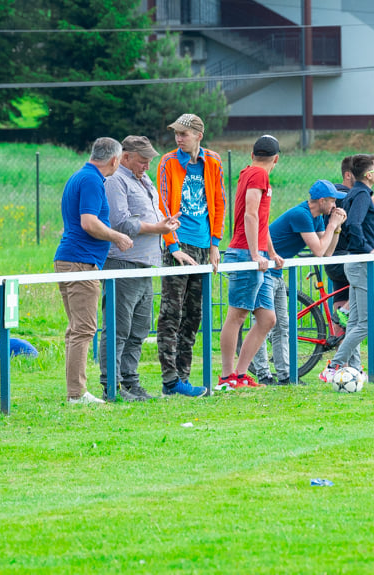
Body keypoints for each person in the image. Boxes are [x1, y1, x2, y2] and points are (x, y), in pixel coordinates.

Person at [99, 135, 180, 402]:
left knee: (139, 329)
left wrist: (165, 223)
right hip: (124, 263)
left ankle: (131, 382)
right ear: (126, 157)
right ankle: (112, 385)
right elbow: (121, 222)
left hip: (146, 265)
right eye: (142, 160)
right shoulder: (115, 182)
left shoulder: (143, 181)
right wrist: (158, 228)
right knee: (119, 328)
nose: (147, 166)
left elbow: (149, 215)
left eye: (149, 161)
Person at [54, 137, 133, 405]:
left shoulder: (80, 177)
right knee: (84, 329)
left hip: (72, 259)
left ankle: (75, 390)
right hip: (81, 262)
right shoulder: (90, 180)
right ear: (114, 160)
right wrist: (116, 237)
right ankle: (77, 393)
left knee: (77, 328)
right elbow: (88, 222)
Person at [250, 179, 347, 385]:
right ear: (321, 201)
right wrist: (332, 224)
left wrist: (335, 228)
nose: (335, 206)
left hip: (275, 272)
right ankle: (263, 374)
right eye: (332, 201)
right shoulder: (302, 215)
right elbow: (319, 251)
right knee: (263, 324)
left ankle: (285, 375)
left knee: (283, 325)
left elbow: (327, 252)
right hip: (263, 269)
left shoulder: (317, 217)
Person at [156, 113, 226, 397]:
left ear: (199, 135)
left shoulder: (213, 161)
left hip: (202, 244)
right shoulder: (168, 162)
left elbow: (219, 201)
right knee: (171, 313)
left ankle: (183, 376)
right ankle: (170, 379)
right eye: (176, 133)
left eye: (183, 134)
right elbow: (162, 205)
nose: (178, 138)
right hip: (178, 243)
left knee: (194, 314)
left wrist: (215, 244)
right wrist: (173, 247)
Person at [218, 135, 283, 390]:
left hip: (258, 254)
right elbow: (251, 214)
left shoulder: (249, 171)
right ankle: (226, 376)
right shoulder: (258, 175)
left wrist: (271, 253)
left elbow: (262, 221)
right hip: (246, 253)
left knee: (267, 318)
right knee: (237, 314)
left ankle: (241, 374)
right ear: (276, 159)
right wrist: (255, 253)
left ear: (252, 154)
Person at [320, 154, 374, 382]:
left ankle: (356, 370)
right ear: (369, 175)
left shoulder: (358, 194)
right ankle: (335, 365)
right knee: (365, 324)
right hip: (361, 263)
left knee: (355, 322)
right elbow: (353, 224)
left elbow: (358, 226)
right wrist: (368, 250)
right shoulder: (360, 194)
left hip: (357, 262)